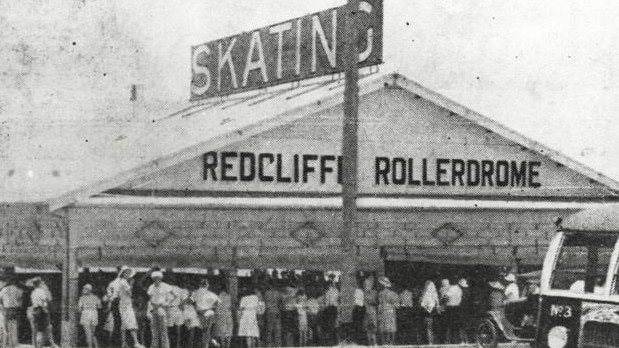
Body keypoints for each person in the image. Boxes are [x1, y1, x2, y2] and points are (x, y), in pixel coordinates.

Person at [118, 267, 145, 348]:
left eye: (129, 273)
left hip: (124, 305)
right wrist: (131, 284)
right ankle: (136, 343)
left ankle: (123, 343)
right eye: (126, 273)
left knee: (124, 325)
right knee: (132, 324)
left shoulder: (121, 281)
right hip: (126, 306)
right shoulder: (124, 282)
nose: (128, 274)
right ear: (123, 273)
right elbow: (130, 293)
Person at [147, 270, 175, 348]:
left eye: (158, 278)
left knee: (163, 331)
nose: (156, 279)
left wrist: (167, 303)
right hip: (153, 309)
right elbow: (150, 299)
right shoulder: (151, 287)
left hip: (162, 309)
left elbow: (174, 296)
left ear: (161, 278)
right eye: (154, 278)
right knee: (154, 331)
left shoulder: (166, 286)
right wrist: (150, 309)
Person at [192, 279, 220, 348]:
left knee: (204, 331)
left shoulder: (196, 292)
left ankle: (207, 345)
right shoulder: (210, 293)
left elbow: (191, 301)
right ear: (207, 285)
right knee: (207, 331)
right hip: (209, 313)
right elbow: (218, 302)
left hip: (200, 313)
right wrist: (212, 307)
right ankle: (211, 343)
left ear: (200, 285)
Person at [0, 277, 23, 348]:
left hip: (6, 309)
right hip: (14, 309)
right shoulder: (17, 289)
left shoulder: (3, 289)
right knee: (13, 327)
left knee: (5, 328)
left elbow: (0, 300)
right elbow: (20, 299)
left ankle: (4, 344)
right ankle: (12, 345)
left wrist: (2, 308)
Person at [78, 284, 102, 348]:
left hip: (86, 314)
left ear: (88, 290)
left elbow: (79, 309)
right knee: (92, 333)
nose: (83, 290)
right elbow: (100, 306)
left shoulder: (82, 298)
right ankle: (96, 346)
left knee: (88, 333)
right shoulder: (96, 297)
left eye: (84, 289)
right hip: (94, 313)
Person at [31, 277, 52, 348]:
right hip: (41, 310)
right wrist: (45, 310)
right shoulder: (41, 291)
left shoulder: (33, 292)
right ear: (39, 283)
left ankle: (35, 345)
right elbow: (43, 302)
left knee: (35, 328)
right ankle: (41, 345)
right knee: (43, 329)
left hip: (35, 310)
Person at [377, 276, 399, 345]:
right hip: (391, 311)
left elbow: (380, 304)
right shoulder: (393, 294)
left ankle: (384, 343)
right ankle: (391, 343)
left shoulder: (380, 294)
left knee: (383, 327)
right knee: (391, 328)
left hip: (383, 310)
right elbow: (397, 305)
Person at [263, 282, 282, 347]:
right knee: (277, 330)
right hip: (276, 312)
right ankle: (277, 345)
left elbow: (265, 303)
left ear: (270, 285)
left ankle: (269, 345)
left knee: (269, 330)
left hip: (269, 312)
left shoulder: (266, 293)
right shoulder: (278, 293)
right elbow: (280, 303)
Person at [443, 278, 463, 344]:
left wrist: (443, 300)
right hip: (458, 307)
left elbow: (446, 297)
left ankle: (447, 340)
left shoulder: (452, 288)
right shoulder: (460, 290)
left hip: (451, 307)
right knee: (457, 325)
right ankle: (459, 340)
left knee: (449, 325)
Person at [420, 280, 439, 345]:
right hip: (433, 312)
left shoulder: (425, 294)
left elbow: (422, 304)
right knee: (431, 328)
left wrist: (427, 308)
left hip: (428, 312)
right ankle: (431, 341)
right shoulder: (434, 294)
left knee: (428, 328)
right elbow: (437, 304)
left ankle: (430, 341)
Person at [166, 282, 184, 348]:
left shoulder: (165, 288)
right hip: (176, 309)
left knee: (169, 330)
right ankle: (177, 345)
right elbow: (183, 300)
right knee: (177, 330)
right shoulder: (180, 289)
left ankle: (171, 345)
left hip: (171, 309)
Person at [323, 277, 339, 346]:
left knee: (329, 325)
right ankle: (336, 341)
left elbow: (327, 303)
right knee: (335, 324)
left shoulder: (327, 292)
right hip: (335, 308)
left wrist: (324, 309)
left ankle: (331, 341)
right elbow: (337, 299)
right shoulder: (336, 291)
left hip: (330, 309)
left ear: (329, 285)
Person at [281, 281, 298, 347]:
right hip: (292, 310)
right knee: (292, 328)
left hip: (286, 310)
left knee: (286, 328)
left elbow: (282, 302)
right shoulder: (294, 291)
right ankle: (291, 343)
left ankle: (287, 343)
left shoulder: (283, 293)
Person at [363, 276, 378, 346]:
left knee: (372, 329)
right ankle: (370, 343)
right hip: (369, 312)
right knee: (369, 329)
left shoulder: (373, 292)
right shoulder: (365, 293)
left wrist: (371, 302)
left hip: (371, 312)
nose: (366, 286)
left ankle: (373, 343)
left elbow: (376, 302)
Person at [457, 278, 472, 344]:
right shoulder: (468, 291)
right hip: (467, 309)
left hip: (461, 309)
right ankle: (467, 340)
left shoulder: (460, 291)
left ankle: (462, 340)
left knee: (461, 326)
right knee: (466, 326)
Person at [352, 279, 365, 345]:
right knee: (359, 324)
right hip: (360, 308)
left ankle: (357, 340)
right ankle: (359, 340)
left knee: (356, 324)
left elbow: (355, 301)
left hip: (357, 308)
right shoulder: (361, 291)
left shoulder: (356, 291)